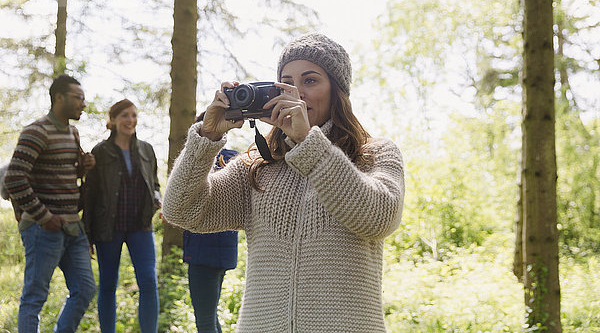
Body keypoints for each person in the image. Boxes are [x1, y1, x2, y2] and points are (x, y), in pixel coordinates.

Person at [163, 33, 405, 332]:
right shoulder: (257, 165)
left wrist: (308, 143)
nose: (297, 92)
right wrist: (206, 138)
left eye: (310, 80)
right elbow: (181, 211)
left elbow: (379, 219)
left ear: (337, 90)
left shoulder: (374, 153)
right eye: (287, 81)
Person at [5, 74, 97, 333]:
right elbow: (14, 178)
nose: (83, 104)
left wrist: (84, 166)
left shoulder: (73, 132)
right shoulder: (36, 131)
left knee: (85, 289)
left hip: (72, 227)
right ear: (59, 98)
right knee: (34, 298)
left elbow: (64, 174)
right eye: (78, 98)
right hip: (42, 229)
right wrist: (44, 216)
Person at [82, 99, 161, 333]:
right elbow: (91, 193)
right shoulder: (100, 151)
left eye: (134, 115)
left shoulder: (146, 149)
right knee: (107, 284)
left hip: (141, 226)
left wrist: (157, 198)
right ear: (113, 120)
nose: (130, 120)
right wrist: (88, 234)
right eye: (125, 115)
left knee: (148, 282)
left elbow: (154, 182)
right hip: (108, 228)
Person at [183, 146, 238, 333]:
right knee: (210, 317)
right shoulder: (233, 159)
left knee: (205, 322)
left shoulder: (199, 163)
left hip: (202, 253)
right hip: (223, 253)